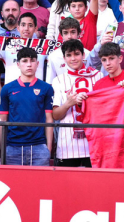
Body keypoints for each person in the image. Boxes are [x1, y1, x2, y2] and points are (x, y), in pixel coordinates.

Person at [0, 47, 54, 166]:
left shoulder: (46, 88)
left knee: (40, 184)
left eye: (32, 60)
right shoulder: (7, 89)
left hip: (39, 147)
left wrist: (48, 149)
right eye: (24, 61)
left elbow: (49, 119)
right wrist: (3, 149)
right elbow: (2, 120)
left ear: (37, 63)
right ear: (18, 64)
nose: (29, 64)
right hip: (13, 147)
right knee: (14, 184)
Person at [52, 39, 102, 167]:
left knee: (94, 186)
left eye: (76, 54)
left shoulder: (98, 76)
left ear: (83, 55)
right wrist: (69, 103)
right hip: (67, 148)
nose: (73, 58)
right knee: (66, 186)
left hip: (94, 146)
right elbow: (56, 115)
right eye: (69, 55)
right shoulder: (58, 80)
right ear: (64, 58)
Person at [0, 13, 46, 83]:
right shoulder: (8, 45)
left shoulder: (44, 46)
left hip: (37, 93)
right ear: (18, 28)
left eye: (30, 25)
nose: (26, 28)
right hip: (12, 94)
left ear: (36, 28)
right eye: (23, 25)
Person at [46, 18, 94, 84]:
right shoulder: (53, 56)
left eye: (73, 32)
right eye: (65, 33)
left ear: (79, 33)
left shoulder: (88, 54)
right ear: (61, 35)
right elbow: (50, 82)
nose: (69, 36)